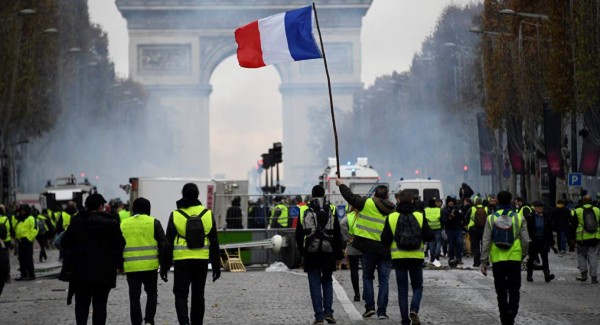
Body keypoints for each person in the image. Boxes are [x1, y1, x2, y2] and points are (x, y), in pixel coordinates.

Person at [61, 193, 126, 325]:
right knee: (100, 305)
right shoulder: (111, 222)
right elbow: (120, 244)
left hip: (80, 272)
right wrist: (119, 265)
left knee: (81, 304)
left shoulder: (77, 221)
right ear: (101, 206)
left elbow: (65, 242)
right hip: (104, 272)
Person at [161, 183, 221, 325]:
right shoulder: (207, 214)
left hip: (181, 260)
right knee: (198, 295)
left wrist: (164, 266)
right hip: (201, 260)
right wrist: (217, 266)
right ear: (197, 195)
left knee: (181, 294)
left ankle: (184, 322)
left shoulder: (175, 215)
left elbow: (168, 243)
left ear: (183, 195)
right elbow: (214, 242)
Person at [335, 178, 395, 319]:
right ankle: (382, 311)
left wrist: (341, 184)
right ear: (387, 196)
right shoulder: (393, 210)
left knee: (367, 277)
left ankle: (370, 307)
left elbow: (350, 197)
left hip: (368, 249)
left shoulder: (367, 203)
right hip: (385, 250)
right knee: (384, 281)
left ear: (374, 195)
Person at [381, 189, 433, 325]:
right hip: (416, 257)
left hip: (398, 257)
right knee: (417, 286)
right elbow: (429, 236)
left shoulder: (392, 217)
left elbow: (384, 239)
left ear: (398, 200)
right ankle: (414, 309)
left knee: (402, 289)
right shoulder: (420, 216)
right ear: (412, 200)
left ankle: (404, 320)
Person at [295, 185, 344, 325]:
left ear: (312, 195)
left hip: (311, 251)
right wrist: (338, 253)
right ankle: (329, 313)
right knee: (327, 281)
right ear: (324, 195)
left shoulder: (304, 209)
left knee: (314, 283)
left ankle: (319, 317)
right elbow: (337, 232)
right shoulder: (332, 208)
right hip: (328, 252)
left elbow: (299, 234)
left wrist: (302, 252)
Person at [481, 191, 530, 325]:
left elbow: (486, 241)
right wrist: (524, 255)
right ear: (511, 201)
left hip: (498, 260)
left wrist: (484, 261)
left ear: (497, 201)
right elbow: (526, 240)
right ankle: (512, 312)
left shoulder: (491, 218)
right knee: (514, 289)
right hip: (514, 258)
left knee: (501, 291)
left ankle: (504, 317)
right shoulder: (519, 218)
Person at [121, 197, 167, 325]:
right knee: (152, 294)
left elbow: (117, 245)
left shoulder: (123, 224)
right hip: (150, 266)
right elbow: (163, 245)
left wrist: (120, 264)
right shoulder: (154, 223)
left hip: (131, 267)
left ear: (133, 209)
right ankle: (149, 320)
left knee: (134, 297)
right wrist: (164, 265)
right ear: (149, 209)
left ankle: (136, 322)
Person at [524, 201, 556, 282]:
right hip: (533, 241)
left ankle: (547, 275)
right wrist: (528, 239)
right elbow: (526, 229)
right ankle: (529, 276)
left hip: (543, 240)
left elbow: (549, 231)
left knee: (545, 258)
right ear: (534, 208)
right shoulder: (530, 217)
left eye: (541, 207)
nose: (540, 208)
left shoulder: (546, 217)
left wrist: (552, 243)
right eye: (538, 207)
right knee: (531, 259)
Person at [573, 195, 600, 283]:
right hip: (595, 237)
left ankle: (583, 273)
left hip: (581, 238)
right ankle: (594, 277)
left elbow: (573, 226)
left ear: (583, 201)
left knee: (581, 255)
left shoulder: (577, 211)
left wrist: (572, 238)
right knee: (594, 256)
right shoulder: (597, 210)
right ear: (591, 201)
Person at [340, 204, 362, 302]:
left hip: (352, 246)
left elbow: (342, 224)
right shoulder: (364, 215)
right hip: (365, 246)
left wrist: (348, 238)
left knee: (354, 271)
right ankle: (367, 293)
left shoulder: (348, 217)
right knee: (367, 272)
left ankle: (357, 293)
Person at [14, 204, 38, 281]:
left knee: (28, 258)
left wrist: (29, 239)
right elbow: (14, 226)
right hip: (20, 241)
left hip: (27, 241)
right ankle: (23, 274)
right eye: (21, 211)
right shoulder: (19, 219)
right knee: (21, 258)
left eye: (23, 210)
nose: (21, 212)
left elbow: (34, 229)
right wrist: (16, 214)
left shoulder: (31, 218)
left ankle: (31, 274)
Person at [441, 196, 464, 266]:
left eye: (452, 202)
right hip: (450, 229)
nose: (451, 203)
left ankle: (459, 258)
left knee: (459, 243)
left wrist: (458, 213)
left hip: (458, 228)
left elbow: (462, 217)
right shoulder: (445, 210)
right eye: (449, 202)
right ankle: (451, 258)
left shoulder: (457, 209)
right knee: (451, 244)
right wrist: (450, 216)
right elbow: (444, 221)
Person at [466, 198, 488, 267]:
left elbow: (466, 218)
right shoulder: (486, 209)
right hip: (484, 229)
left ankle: (476, 262)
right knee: (484, 245)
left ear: (475, 202)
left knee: (475, 246)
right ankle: (485, 261)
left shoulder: (472, 209)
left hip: (474, 229)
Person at [423, 199, 442, 264]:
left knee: (431, 242)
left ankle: (432, 257)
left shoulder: (426, 210)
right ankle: (437, 254)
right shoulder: (438, 210)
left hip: (430, 228)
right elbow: (441, 218)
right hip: (438, 227)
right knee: (438, 242)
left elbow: (424, 219)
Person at [0, 204, 12, 296]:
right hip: (5, 242)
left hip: (3, 242)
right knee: (5, 261)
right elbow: (9, 229)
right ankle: (6, 275)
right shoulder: (6, 218)